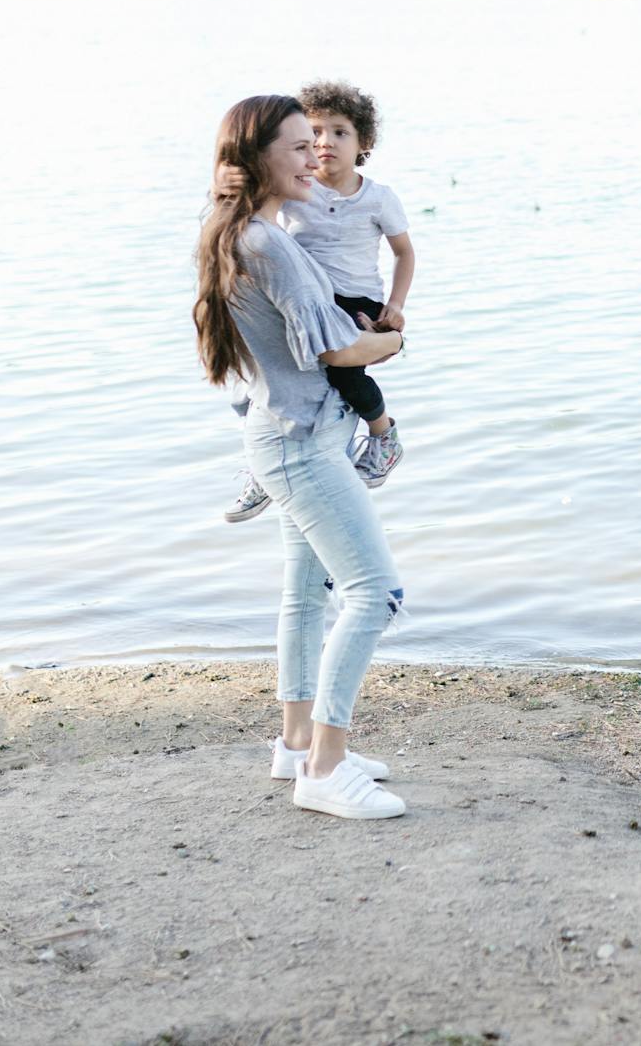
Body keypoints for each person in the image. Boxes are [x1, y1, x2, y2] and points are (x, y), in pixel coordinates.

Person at [195, 94, 412, 820]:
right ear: (258, 160)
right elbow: (337, 350)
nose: (313, 155)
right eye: (295, 145)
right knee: (374, 592)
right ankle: (323, 766)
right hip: (302, 442)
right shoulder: (271, 243)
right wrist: (392, 343)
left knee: (304, 592)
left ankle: (297, 741)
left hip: (285, 434)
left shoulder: (236, 231)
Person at [223, 80, 415, 522]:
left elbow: (404, 251)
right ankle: (262, 465)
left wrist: (397, 306)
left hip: (354, 300)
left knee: (344, 376)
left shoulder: (378, 198)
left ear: (363, 141)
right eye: (314, 135)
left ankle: (383, 436)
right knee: (251, 377)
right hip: (303, 296)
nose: (325, 144)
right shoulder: (298, 191)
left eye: (340, 132)